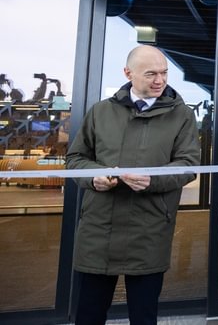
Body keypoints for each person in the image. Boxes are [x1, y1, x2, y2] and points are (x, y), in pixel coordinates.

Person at [66, 45, 201, 325]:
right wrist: (95, 176)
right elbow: (76, 159)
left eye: (164, 73)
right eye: (150, 74)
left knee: (143, 316)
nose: (159, 80)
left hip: (149, 229)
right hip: (99, 229)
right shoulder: (101, 112)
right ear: (128, 73)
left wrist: (153, 179)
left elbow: (189, 165)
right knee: (89, 314)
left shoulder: (182, 115)